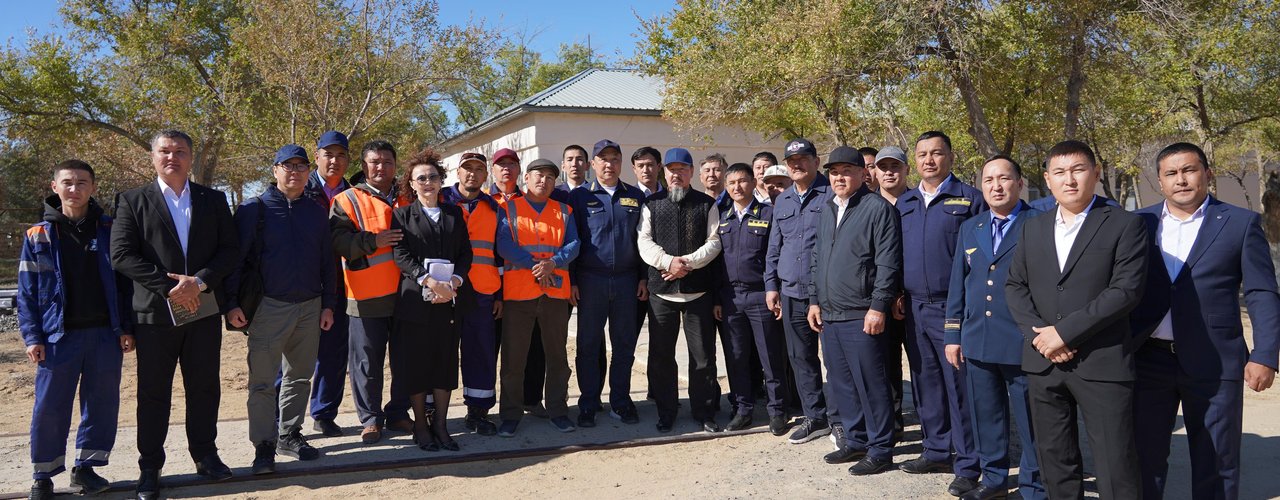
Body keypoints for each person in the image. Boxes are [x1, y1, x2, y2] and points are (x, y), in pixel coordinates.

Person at [1130, 142, 1280, 500]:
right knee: (1142, 460)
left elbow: (1261, 292)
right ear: (1160, 181)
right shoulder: (1137, 223)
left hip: (1215, 360)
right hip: (1147, 360)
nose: (1180, 180)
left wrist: (1265, 354)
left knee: (1217, 461)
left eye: (1189, 170)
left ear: (1207, 174)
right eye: (1171, 173)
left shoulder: (1240, 223)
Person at [1005, 140, 1147, 499]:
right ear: (1047, 179)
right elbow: (1015, 286)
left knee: (1115, 465)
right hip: (1043, 362)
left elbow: (1125, 291)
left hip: (1101, 361)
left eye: (1078, 170)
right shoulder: (1032, 228)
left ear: (1095, 174)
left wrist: (1064, 333)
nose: (1069, 180)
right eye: (1059, 172)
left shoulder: (1125, 224)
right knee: (1055, 462)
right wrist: (1042, 338)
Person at [111, 130, 239, 500]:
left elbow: (230, 250)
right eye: (165, 151)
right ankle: (150, 466)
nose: (172, 157)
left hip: (202, 309)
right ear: (153, 157)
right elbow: (121, 255)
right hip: (154, 315)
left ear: (191, 157)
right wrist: (170, 288)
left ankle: (206, 455)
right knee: (154, 393)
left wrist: (198, 282)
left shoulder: (213, 199)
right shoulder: (132, 200)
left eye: (180, 151)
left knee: (204, 387)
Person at [20, 160, 133, 499]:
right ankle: (43, 475)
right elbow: (27, 293)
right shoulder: (37, 235)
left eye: (82, 182)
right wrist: (32, 336)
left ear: (93, 187)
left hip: (105, 334)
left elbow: (125, 285)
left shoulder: (111, 229)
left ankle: (86, 468)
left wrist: (126, 328)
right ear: (54, 187)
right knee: (50, 407)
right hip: (57, 337)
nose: (74, 188)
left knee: (101, 404)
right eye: (67, 182)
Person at [226, 145, 336, 474]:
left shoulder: (316, 211)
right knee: (261, 382)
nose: (295, 172)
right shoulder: (253, 209)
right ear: (275, 170)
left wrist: (328, 304)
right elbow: (235, 261)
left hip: (310, 306)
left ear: (308, 172)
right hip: (268, 307)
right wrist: (231, 303)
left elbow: (327, 262)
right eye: (288, 165)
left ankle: (289, 434)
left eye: (301, 166)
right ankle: (263, 445)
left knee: (299, 377)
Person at [943, 156, 1046, 500]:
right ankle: (994, 480)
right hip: (979, 339)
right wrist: (953, 334)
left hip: (1023, 342)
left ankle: (1034, 486)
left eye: (1004, 179)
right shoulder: (971, 227)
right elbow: (958, 284)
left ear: (1020, 183)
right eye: (988, 180)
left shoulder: (1039, 224)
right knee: (986, 417)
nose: (996, 186)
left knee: (1032, 421)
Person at [894, 131, 985, 496]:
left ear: (950, 157)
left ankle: (968, 463)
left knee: (959, 387)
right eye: (922, 154)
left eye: (936, 153)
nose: (929, 160)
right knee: (925, 382)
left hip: (952, 307)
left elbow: (982, 259)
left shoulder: (970, 199)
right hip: (914, 306)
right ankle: (935, 450)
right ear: (914, 161)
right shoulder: (905, 202)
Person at [805, 146, 903, 476]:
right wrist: (814, 300)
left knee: (871, 384)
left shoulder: (877, 209)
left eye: (847, 171)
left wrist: (878, 306)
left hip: (862, 313)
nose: (839, 178)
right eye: (834, 172)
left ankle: (881, 449)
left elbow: (888, 262)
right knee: (842, 383)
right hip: (830, 313)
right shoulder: (828, 209)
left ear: (863, 174)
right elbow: (817, 258)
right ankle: (856, 439)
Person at [329, 140, 413, 444]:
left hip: (407, 295)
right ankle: (370, 419)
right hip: (366, 296)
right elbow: (337, 242)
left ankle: (399, 412)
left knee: (406, 359)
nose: (381, 167)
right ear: (363, 166)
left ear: (395, 165)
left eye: (387, 162)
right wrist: (373, 241)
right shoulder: (346, 200)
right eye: (375, 162)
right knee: (366, 363)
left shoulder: (409, 196)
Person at [390, 148, 473, 452]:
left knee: (445, 364)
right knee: (416, 366)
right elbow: (400, 255)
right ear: (411, 184)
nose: (427, 182)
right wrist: (427, 280)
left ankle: (440, 424)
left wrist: (454, 281)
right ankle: (421, 428)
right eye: (421, 178)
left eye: (433, 177)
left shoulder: (454, 214)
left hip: (448, 300)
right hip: (415, 302)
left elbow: (465, 253)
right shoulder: (401, 215)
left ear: (441, 181)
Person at [639, 147, 724, 433]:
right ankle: (667, 411)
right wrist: (668, 262)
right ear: (664, 172)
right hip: (662, 293)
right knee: (661, 356)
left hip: (698, 293)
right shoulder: (651, 204)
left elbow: (714, 242)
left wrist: (686, 263)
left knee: (703, 357)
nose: (676, 174)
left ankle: (704, 411)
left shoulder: (706, 204)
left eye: (682, 169)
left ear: (691, 173)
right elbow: (644, 241)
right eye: (672, 169)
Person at [494, 158, 581, 437]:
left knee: (557, 357)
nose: (544, 181)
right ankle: (510, 415)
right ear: (527, 179)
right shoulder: (509, 208)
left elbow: (574, 244)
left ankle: (558, 410)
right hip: (519, 294)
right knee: (513, 359)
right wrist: (536, 265)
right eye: (538, 175)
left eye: (550, 177)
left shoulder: (564, 211)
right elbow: (504, 244)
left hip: (555, 293)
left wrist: (553, 263)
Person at [569, 139, 648, 427]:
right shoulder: (579, 197)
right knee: (588, 345)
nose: (609, 164)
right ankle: (589, 403)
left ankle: (621, 401)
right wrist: (572, 281)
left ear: (621, 163)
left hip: (627, 281)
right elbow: (572, 240)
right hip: (591, 281)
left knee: (624, 345)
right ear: (593, 164)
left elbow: (643, 240)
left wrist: (643, 276)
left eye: (614, 159)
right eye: (603, 159)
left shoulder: (635, 196)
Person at [764, 138, 837, 445]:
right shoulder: (783, 200)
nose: (797, 165)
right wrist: (771, 285)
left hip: (827, 294)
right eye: (792, 161)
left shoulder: (832, 194)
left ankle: (840, 419)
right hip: (791, 292)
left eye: (803, 159)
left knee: (834, 360)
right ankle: (815, 417)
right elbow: (775, 246)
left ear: (816, 162)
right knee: (801, 358)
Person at [712, 163, 790, 433]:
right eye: (732, 183)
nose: (737, 187)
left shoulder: (768, 214)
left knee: (770, 356)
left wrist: (774, 290)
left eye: (742, 181)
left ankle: (777, 410)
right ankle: (742, 409)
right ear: (726, 186)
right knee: (737, 357)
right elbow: (716, 263)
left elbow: (775, 256)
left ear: (753, 183)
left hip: (760, 295)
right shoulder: (722, 218)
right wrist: (717, 298)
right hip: (730, 298)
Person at [440, 152, 503, 436]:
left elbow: (499, 255)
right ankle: (432, 411)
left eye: (479, 169)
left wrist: (500, 295)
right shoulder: (439, 200)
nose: (473, 174)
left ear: (485, 176)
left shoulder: (493, 208)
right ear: (458, 172)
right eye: (468, 168)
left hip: (482, 291)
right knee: (440, 351)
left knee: (481, 352)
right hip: (445, 289)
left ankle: (477, 411)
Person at [303, 131, 353, 437]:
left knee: (333, 355)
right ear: (317, 156)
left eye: (341, 155)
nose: (334, 161)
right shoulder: (299, 188)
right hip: (303, 286)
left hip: (343, 287)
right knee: (294, 356)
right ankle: (284, 420)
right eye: (328, 154)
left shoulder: (354, 193)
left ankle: (323, 413)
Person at [872, 145, 912, 436]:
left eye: (895, 166)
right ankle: (893, 425)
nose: (888, 172)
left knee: (923, 368)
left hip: (914, 300)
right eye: (883, 167)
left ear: (906, 170)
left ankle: (935, 428)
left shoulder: (919, 203)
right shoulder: (867, 206)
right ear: (874, 172)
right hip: (879, 302)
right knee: (885, 368)